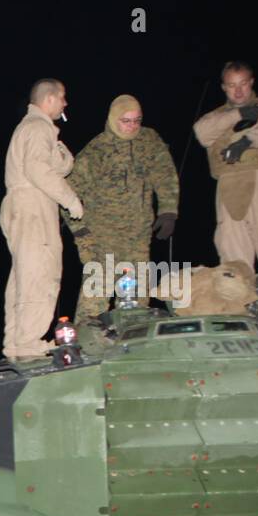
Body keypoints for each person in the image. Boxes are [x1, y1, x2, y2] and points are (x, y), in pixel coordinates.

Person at [65, 94, 179, 344]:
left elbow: (165, 174)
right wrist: (81, 232)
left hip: (138, 237)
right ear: (113, 119)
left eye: (137, 121)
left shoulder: (149, 141)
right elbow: (66, 194)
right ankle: (86, 348)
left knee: (137, 301)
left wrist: (168, 211)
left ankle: (133, 349)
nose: (132, 127)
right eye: (126, 121)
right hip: (102, 239)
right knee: (94, 301)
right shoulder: (96, 152)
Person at [0, 79, 84, 361]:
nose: (65, 103)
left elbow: (56, 165)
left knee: (24, 275)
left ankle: (17, 342)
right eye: (62, 98)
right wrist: (70, 199)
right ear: (49, 99)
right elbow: (37, 169)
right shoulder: (37, 128)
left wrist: (60, 151)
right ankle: (28, 342)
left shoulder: (33, 128)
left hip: (23, 205)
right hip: (33, 205)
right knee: (40, 272)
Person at [194, 61, 258, 273]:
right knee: (232, 255)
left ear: (251, 82)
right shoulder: (216, 116)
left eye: (243, 84)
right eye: (232, 85)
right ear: (224, 87)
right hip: (230, 187)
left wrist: (245, 142)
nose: (238, 90)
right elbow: (202, 133)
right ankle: (239, 302)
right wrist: (238, 115)